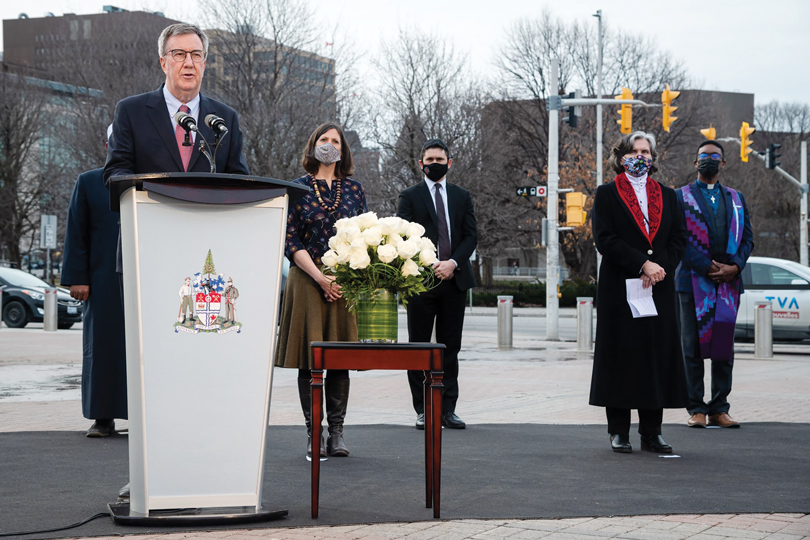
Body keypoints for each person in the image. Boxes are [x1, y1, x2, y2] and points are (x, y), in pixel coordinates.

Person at [102, 22, 249, 500]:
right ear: (162, 61)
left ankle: (204, 464)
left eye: (197, 55)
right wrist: (158, 188)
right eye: (179, 54)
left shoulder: (223, 118)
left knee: (203, 370)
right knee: (152, 371)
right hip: (151, 256)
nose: (188, 63)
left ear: (206, 63)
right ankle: (148, 471)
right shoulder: (131, 112)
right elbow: (115, 174)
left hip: (208, 268)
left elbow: (240, 182)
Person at [590, 131, 688, 454]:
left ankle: (652, 431)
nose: (640, 157)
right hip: (621, 288)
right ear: (621, 158)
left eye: (646, 151)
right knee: (620, 357)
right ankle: (619, 431)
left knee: (653, 358)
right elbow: (605, 239)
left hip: (657, 289)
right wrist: (641, 264)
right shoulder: (606, 194)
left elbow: (678, 240)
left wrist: (660, 267)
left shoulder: (668, 196)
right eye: (634, 151)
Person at [274, 122, 367, 460]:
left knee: (339, 358)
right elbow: (289, 239)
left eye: (335, 141)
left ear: (343, 150)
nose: (329, 145)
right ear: (313, 145)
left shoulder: (354, 189)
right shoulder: (295, 188)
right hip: (306, 278)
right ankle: (314, 432)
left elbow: (362, 236)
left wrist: (341, 278)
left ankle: (337, 433)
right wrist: (320, 278)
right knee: (310, 362)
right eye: (323, 140)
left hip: (344, 282)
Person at [397, 139, 478, 430]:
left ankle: (447, 410)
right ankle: (422, 409)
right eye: (429, 159)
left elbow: (471, 236)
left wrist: (452, 263)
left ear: (449, 163)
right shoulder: (409, 196)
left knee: (450, 348)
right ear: (421, 164)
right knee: (418, 347)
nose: (434, 164)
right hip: (421, 281)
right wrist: (430, 263)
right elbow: (403, 236)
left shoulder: (462, 196)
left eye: (440, 159)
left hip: (454, 280)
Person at [676, 140, 754, 429]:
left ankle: (719, 409)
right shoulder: (680, 197)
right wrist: (707, 266)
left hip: (728, 284)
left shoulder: (737, 198)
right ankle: (696, 408)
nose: (709, 160)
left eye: (715, 156)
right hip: (692, 282)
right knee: (691, 348)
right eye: (703, 156)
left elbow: (748, 239)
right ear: (696, 163)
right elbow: (678, 239)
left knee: (723, 349)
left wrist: (734, 267)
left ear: (723, 164)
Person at [61, 125, 127, 438]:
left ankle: (146, 418)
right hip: (102, 279)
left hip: (147, 278)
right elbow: (76, 233)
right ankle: (103, 418)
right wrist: (77, 278)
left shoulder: (152, 182)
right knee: (102, 347)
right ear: (107, 145)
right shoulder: (88, 182)